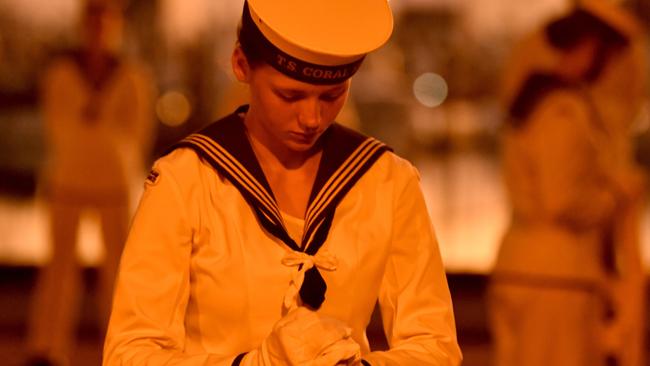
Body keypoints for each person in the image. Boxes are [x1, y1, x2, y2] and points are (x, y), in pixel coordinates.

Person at [103, 0, 462, 365]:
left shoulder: (386, 181)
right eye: (289, 95)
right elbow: (129, 353)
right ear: (241, 65)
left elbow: (435, 347)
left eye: (332, 95)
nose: (311, 118)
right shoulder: (187, 181)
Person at [489, 5, 643, 366]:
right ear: (590, 49)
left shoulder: (538, 101)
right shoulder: (564, 112)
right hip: (557, 280)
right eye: (615, 56)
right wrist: (617, 194)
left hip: (527, 270)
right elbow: (561, 201)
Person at [25, 1, 154, 365]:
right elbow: (55, 123)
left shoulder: (132, 74)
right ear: (84, 23)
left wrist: (111, 149)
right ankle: (46, 347)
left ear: (116, 24)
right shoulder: (62, 71)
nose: (99, 26)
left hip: (113, 182)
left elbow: (139, 130)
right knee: (59, 270)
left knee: (119, 272)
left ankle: (122, 349)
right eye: (93, 17)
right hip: (68, 178)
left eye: (106, 18)